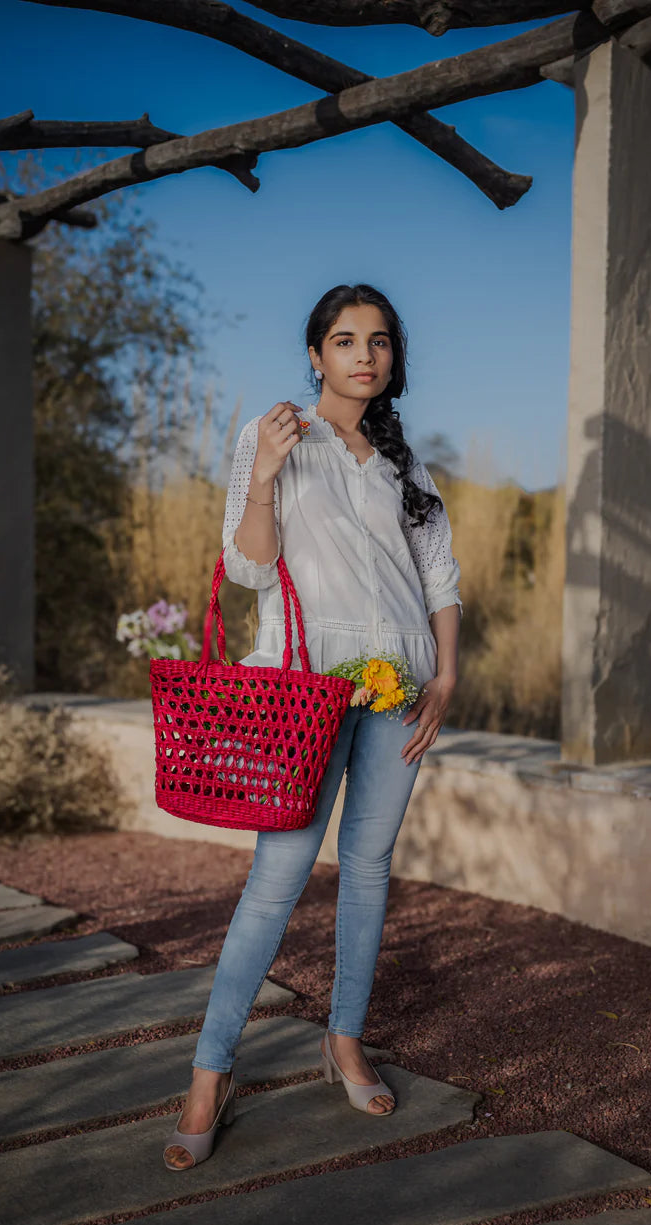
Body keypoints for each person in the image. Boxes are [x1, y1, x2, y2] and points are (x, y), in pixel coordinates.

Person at [164, 283, 462, 1170]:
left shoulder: (407, 464)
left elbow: (439, 576)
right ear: (314, 353)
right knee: (277, 878)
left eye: (378, 341)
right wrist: (261, 476)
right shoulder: (273, 434)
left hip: (401, 688)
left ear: (392, 358)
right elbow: (247, 569)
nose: (363, 354)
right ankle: (209, 1073)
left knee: (367, 869)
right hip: (304, 690)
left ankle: (343, 1039)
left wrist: (445, 672)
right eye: (344, 340)